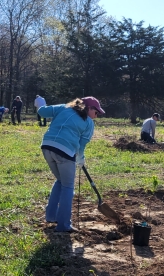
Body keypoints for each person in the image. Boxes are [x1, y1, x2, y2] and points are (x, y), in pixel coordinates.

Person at [38, 96, 105, 233]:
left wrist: (41, 104)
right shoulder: (88, 122)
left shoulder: (64, 107)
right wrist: (80, 157)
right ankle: (63, 225)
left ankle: (51, 216)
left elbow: (42, 112)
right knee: (68, 187)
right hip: (65, 151)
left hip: (47, 147)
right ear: (89, 108)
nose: (96, 116)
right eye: (96, 112)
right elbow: (81, 145)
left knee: (61, 181)